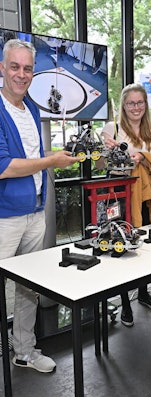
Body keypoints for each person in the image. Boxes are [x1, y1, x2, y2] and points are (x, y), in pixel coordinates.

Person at [0, 39, 80, 373]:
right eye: (15, 67)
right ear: (2, 68)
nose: (22, 74)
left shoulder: (31, 109)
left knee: (28, 286)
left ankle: (24, 350)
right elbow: (4, 166)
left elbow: (32, 157)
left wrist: (57, 156)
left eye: (28, 68)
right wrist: (51, 162)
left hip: (34, 212)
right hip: (5, 217)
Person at [101, 83, 151, 326]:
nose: (136, 107)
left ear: (146, 105)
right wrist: (106, 152)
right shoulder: (113, 128)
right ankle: (125, 303)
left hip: (147, 195)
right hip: (118, 195)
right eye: (131, 103)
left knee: (144, 243)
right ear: (123, 105)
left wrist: (142, 157)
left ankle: (142, 293)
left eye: (140, 102)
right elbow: (99, 165)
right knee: (120, 244)